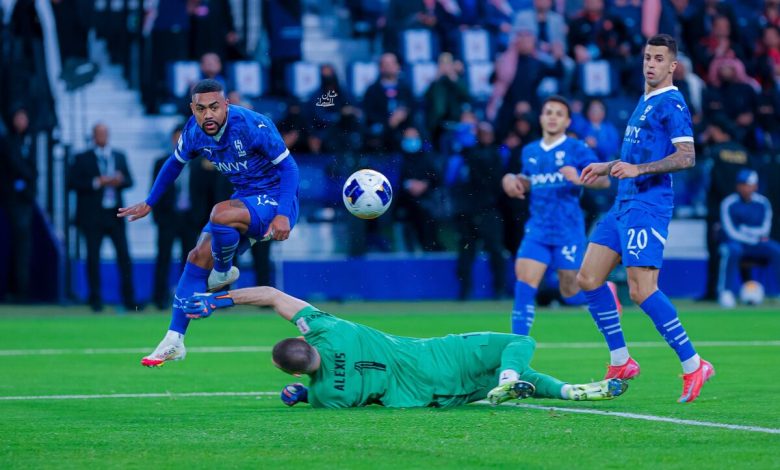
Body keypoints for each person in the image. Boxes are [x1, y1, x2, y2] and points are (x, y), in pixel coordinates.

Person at [181, 286, 629, 409]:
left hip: (433, 397)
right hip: (438, 355)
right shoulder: (327, 328)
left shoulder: (326, 397)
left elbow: (343, 395)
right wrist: (219, 301)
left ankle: (569, 391)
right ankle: (510, 379)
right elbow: (275, 296)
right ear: (303, 338)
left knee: (505, 375)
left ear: (295, 373)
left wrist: (302, 395)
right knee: (517, 343)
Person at [118, 79, 299, 367]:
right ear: (193, 109)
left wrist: (284, 214)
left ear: (226, 105)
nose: (208, 115)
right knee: (197, 255)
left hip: (275, 199)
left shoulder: (253, 125)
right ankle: (174, 339)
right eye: (201, 109)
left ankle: (224, 272)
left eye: (214, 107)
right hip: (244, 199)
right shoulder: (193, 131)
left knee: (219, 214)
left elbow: (288, 167)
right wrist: (150, 201)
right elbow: (174, 163)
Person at [578, 34, 714, 403]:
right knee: (588, 277)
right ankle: (621, 360)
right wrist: (607, 166)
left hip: (648, 206)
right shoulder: (645, 100)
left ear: (672, 66)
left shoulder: (672, 103)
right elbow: (637, 153)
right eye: (647, 57)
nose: (650, 64)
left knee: (641, 290)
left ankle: (693, 364)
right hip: (623, 203)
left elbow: (686, 156)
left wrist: (639, 169)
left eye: (658, 59)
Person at [501, 96, 613, 335]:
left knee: (570, 292)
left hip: (568, 231)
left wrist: (580, 178)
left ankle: (607, 291)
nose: (552, 117)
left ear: (567, 121)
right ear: (541, 118)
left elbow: (604, 181)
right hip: (538, 231)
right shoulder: (530, 151)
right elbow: (529, 182)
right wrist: (511, 180)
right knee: (524, 286)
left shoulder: (577, 148)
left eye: (558, 113)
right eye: (548, 112)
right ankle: (516, 351)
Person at [69, 123, 137, 312]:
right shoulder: (82, 158)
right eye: (99, 133)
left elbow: (130, 180)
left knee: (124, 257)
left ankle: (129, 299)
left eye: (105, 133)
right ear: (93, 136)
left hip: (115, 214)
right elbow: (72, 182)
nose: (102, 136)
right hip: (92, 216)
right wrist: (97, 182)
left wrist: (119, 181)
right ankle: (95, 300)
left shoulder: (119, 156)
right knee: (93, 257)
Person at [150, 125, 204, 310]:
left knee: (189, 262)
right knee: (163, 259)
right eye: (176, 137)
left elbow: (204, 193)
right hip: (168, 219)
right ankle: (159, 299)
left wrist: (200, 218)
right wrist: (158, 218)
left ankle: (186, 299)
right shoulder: (161, 162)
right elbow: (155, 192)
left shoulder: (199, 163)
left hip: (190, 219)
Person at [717, 169, 780, 308]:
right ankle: (726, 292)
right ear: (737, 186)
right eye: (742, 184)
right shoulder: (729, 203)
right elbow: (730, 231)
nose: (745, 188)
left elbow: (765, 229)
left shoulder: (763, 203)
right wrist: (752, 237)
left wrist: (745, 229)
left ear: (755, 186)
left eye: (748, 184)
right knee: (733, 250)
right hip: (734, 243)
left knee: (776, 249)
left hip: (757, 244)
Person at [4, 108, 36, 302]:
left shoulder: (29, 141)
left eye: (25, 118)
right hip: (13, 198)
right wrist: (27, 178)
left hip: (26, 198)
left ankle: (22, 289)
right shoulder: (7, 141)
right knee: (16, 242)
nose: (22, 122)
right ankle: (16, 289)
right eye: (19, 118)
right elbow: (15, 166)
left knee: (24, 243)